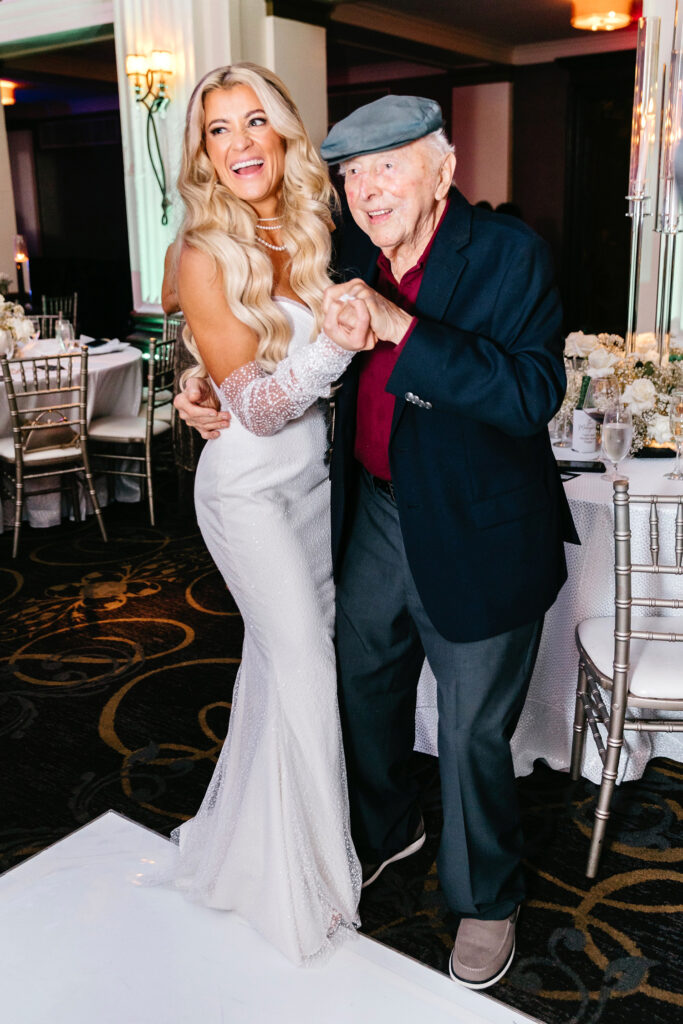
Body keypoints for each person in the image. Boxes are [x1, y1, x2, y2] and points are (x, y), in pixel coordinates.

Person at [176, 93, 577, 989]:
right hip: (372, 515)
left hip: (477, 527)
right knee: (363, 680)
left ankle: (484, 899)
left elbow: (528, 395)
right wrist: (197, 373)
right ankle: (388, 826)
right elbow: (266, 321)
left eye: (389, 165)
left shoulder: (507, 253)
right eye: (353, 173)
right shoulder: (347, 252)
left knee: (473, 731)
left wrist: (404, 330)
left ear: (443, 169)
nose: (366, 188)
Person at [163, 62, 372, 966]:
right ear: (203, 153)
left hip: (315, 484)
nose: (241, 142)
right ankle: (323, 881)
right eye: (220, 130)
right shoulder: (203, 251)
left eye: (255, 122)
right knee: (305, 665)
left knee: (278, 670)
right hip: (246, 488)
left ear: (283, 132)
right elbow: (252, 406)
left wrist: (194, 374)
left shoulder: (319, 226)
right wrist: (328, 344)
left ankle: (255, 851)